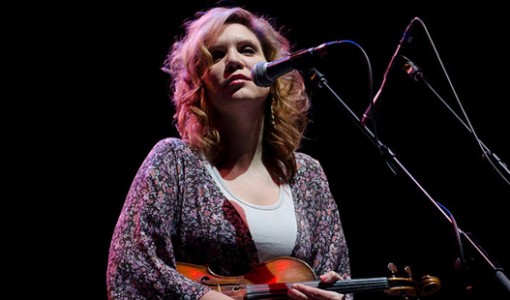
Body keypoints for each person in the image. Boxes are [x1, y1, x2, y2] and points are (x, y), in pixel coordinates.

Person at [106, 5, 352, 300]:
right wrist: (202, 297)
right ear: (201, 83)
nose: (233, 60)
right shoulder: (174, 162)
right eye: (217, 55)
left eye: (247, 50)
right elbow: (131, 265)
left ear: (275, 71)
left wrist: (338, 294)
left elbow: (336, 271)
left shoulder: (307, 176)